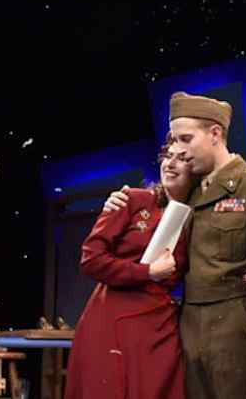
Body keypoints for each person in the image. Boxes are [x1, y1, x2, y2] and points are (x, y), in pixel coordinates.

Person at [104, 92, 246, 399]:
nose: (179, 150)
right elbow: (150, 213)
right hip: (187, 324)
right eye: (174, 140)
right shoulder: (189, 189)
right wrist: (118, 202)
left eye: (186, 139)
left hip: (236, 324)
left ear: (215, 134)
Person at [65, 138, 192, 399]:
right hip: (113, 321)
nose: (170, 164)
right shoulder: (132, 200)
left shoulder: (199, 216)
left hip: (160, 326)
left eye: (181, 158)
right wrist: (147, 272)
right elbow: (90, 259)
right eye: (167, 156)